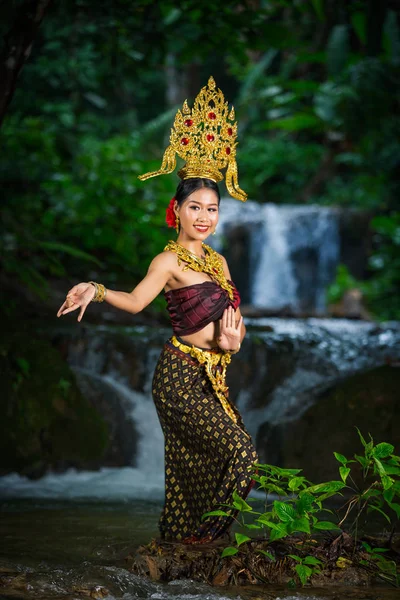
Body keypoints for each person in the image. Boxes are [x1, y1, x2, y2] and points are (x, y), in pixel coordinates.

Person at [57, 77, 259, 545]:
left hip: (215, 376)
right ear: (177, 209)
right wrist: (96, 288)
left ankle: (176, 548)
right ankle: (201, 544)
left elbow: (233, 328)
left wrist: (234, 343)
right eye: (195, 207)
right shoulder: (168, 260)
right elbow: (134, 301)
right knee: (242, 454)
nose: (204, 217)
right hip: (179, 376)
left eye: (212, 208)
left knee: (197, 470)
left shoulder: (219, 260)